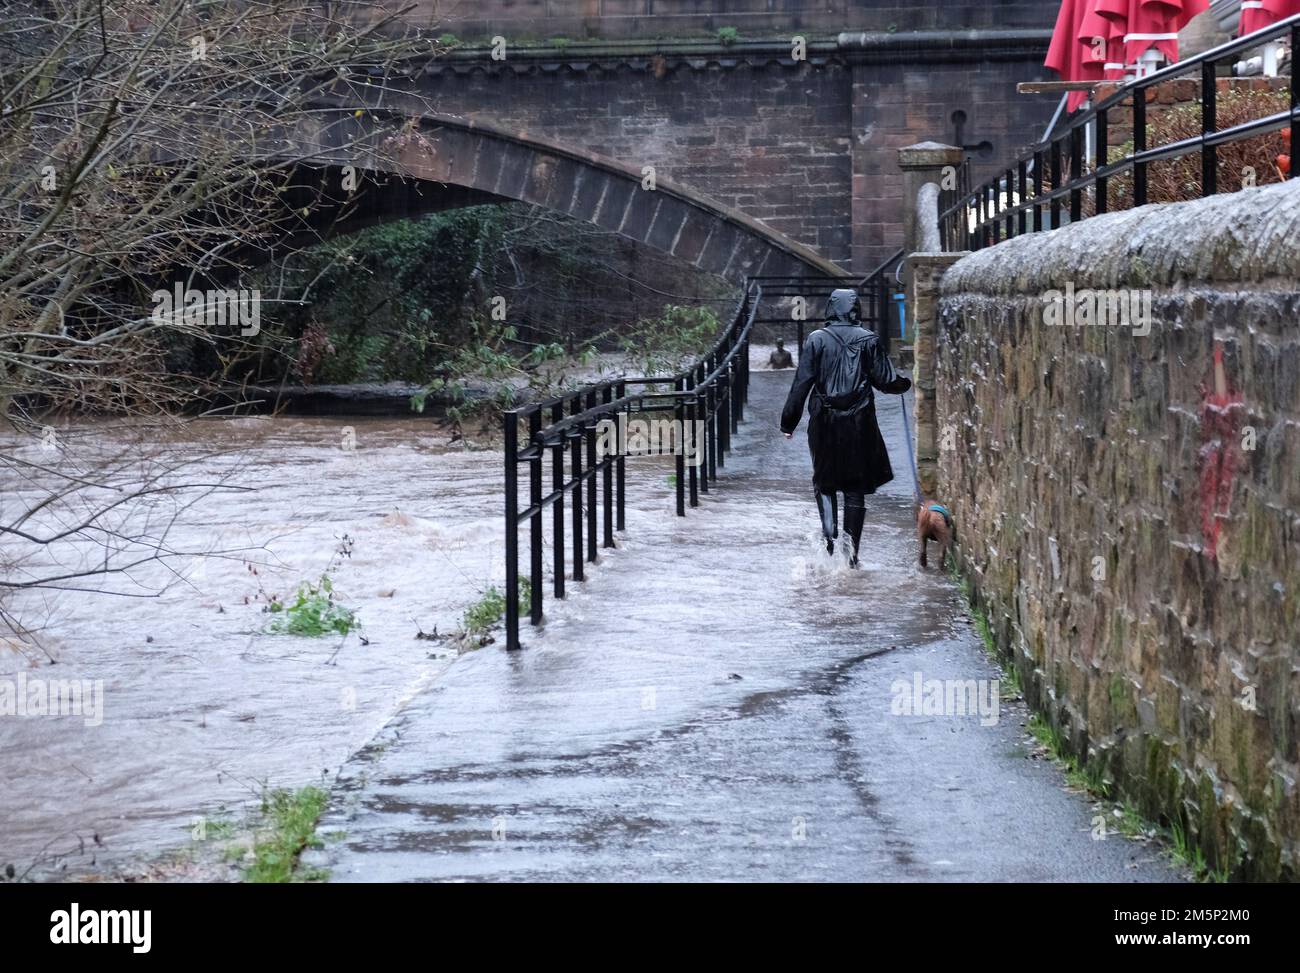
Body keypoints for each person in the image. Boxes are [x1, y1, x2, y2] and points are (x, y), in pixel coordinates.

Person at [780, 288, 911, 566]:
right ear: (856, 310)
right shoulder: (869, 340)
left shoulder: (816, 340)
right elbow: (886, 381)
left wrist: (788, 422)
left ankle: (828, 546)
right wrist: (904, 384)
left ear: (830, 308)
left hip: (823, 422)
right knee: (855, 487)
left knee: (825, 482)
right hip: (859, 422)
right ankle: (850, 557)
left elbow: (801, 384)